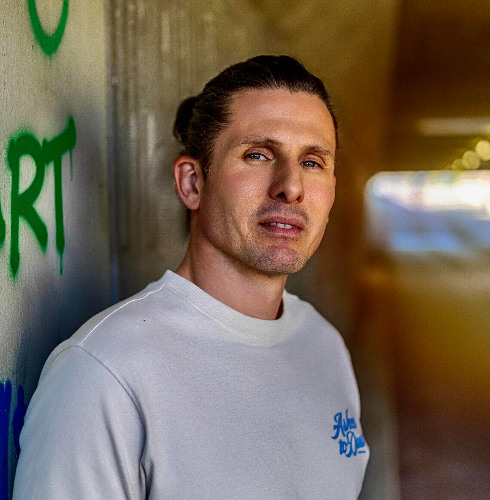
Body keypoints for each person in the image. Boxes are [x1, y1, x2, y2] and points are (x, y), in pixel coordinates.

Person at [13, 55, 369, 499]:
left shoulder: (324, 346)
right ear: (192, 183)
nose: (291, 187)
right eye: (258, 155)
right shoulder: (105, 371)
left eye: (313, 162)